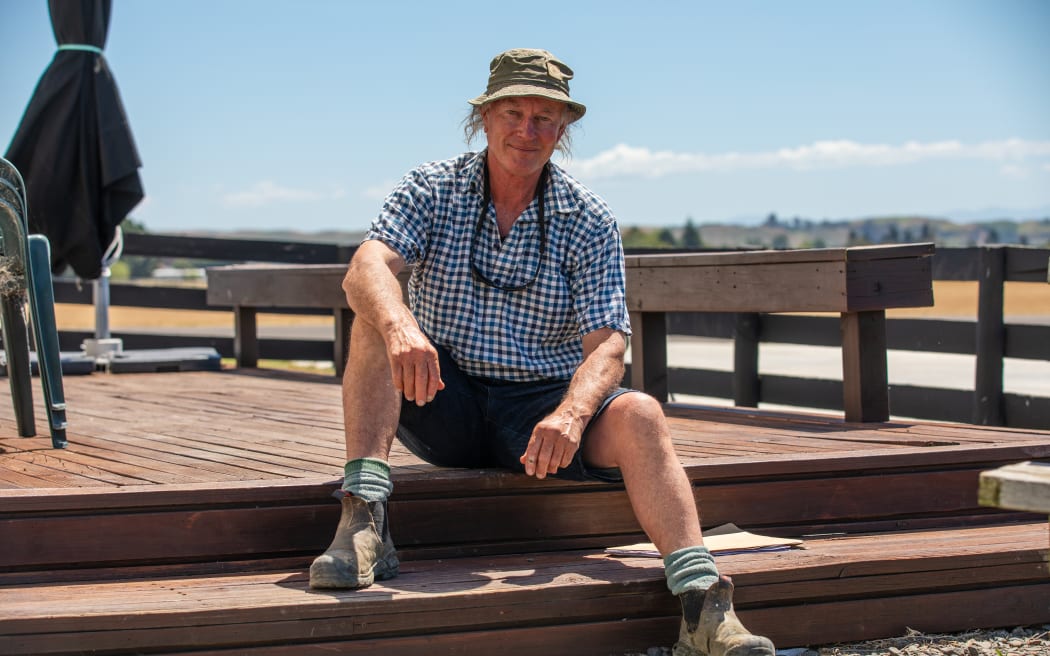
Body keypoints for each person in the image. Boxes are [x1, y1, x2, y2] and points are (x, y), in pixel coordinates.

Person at [310, 48, 775, 656]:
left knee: (642, 414)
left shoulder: (589, 218)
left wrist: (573, 413)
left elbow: (609, 340)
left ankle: (702, 605)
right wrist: (402, 324)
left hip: (536, 415)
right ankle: (363, 519)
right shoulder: (431, 185)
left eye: (544, 118)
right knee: (373, 317)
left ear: (563, 130)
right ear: (484, 118)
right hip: (440, 394)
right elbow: (366, 266)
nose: (526, 131)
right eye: (513, 112)